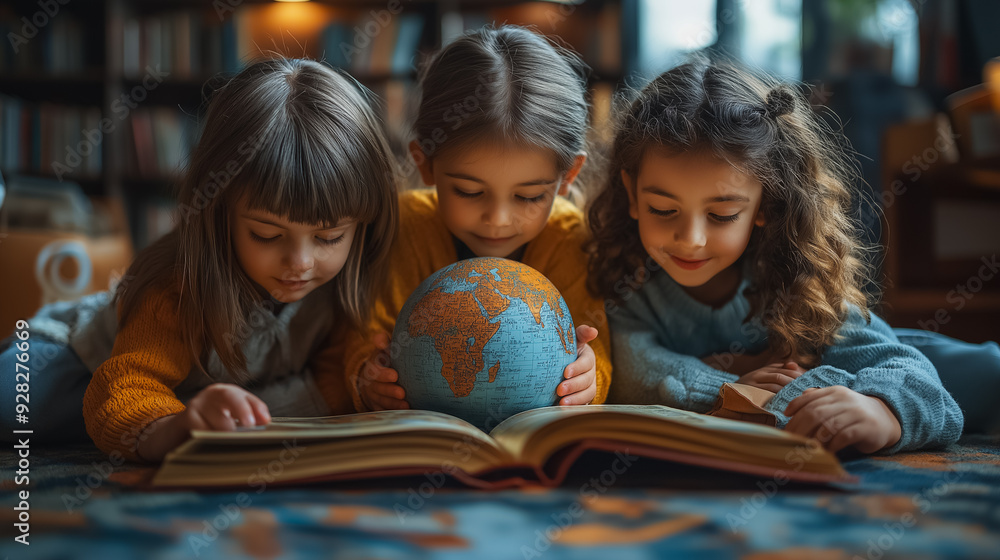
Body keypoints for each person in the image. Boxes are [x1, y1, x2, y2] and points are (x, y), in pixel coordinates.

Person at [0, 58, 398, 461]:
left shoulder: (347, 279)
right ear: (218, 210)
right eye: (266, 234)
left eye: (329, 237)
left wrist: (364, 381)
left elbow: (328, 380)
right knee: (12, 408)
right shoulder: (176, 283)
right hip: (77, 360)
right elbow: (127, 384)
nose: (300, 262)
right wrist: (175, 428)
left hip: (181, 392)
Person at [588, 59, 971, 454]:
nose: (691, 240)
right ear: (632, 194)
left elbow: (922, 384)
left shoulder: (796, 278)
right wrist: (729, 387)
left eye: (722, 215)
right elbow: (630, 369)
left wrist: (881, 410)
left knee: (983, 376)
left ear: (766, 204)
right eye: (663, 210)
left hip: (909, 348)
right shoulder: (626, 278)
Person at [344, 26, 610, 418]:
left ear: (568, 176)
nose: (497, 220)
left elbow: (595, 346)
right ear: (426, 163)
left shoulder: (570, 238)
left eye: (530, 196)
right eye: (469, 192)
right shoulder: (406, 228)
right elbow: (363, 337)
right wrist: (367, 378)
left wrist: (590, 377)